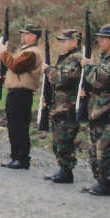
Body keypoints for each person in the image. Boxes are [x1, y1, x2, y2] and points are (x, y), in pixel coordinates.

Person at [80, 23, 110, 196]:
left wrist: (88, 66)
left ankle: (106, 182)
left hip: (109, 108)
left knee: (105, 147)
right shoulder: (105, 58)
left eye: (104, 38)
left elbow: (99, 79)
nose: (100, 41)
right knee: (94, 147)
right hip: (97, 108)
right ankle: (99, 179)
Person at [0, 22, 44, 170]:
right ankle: (15, 156)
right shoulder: (25, 51)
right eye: (23, 33)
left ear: (34, 36)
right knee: (13, 126)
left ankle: (21, 158)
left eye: (26, 34)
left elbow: (15, 65)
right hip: (15, 92)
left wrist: (4, 53)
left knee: (19, 126)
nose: (23, 36)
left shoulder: (32, 52)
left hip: (22, 93)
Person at [43, 29, 83, 184]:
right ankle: (62, 169)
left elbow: (61, 79)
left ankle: (67, 170)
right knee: (58, 140)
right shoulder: (66, 59)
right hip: (59, 105)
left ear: (75, 41)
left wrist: (47, 69)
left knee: (65, 140)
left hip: (68, 106)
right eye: (60, 41)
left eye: (65, 41)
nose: (61, 44)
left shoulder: (76, 59)